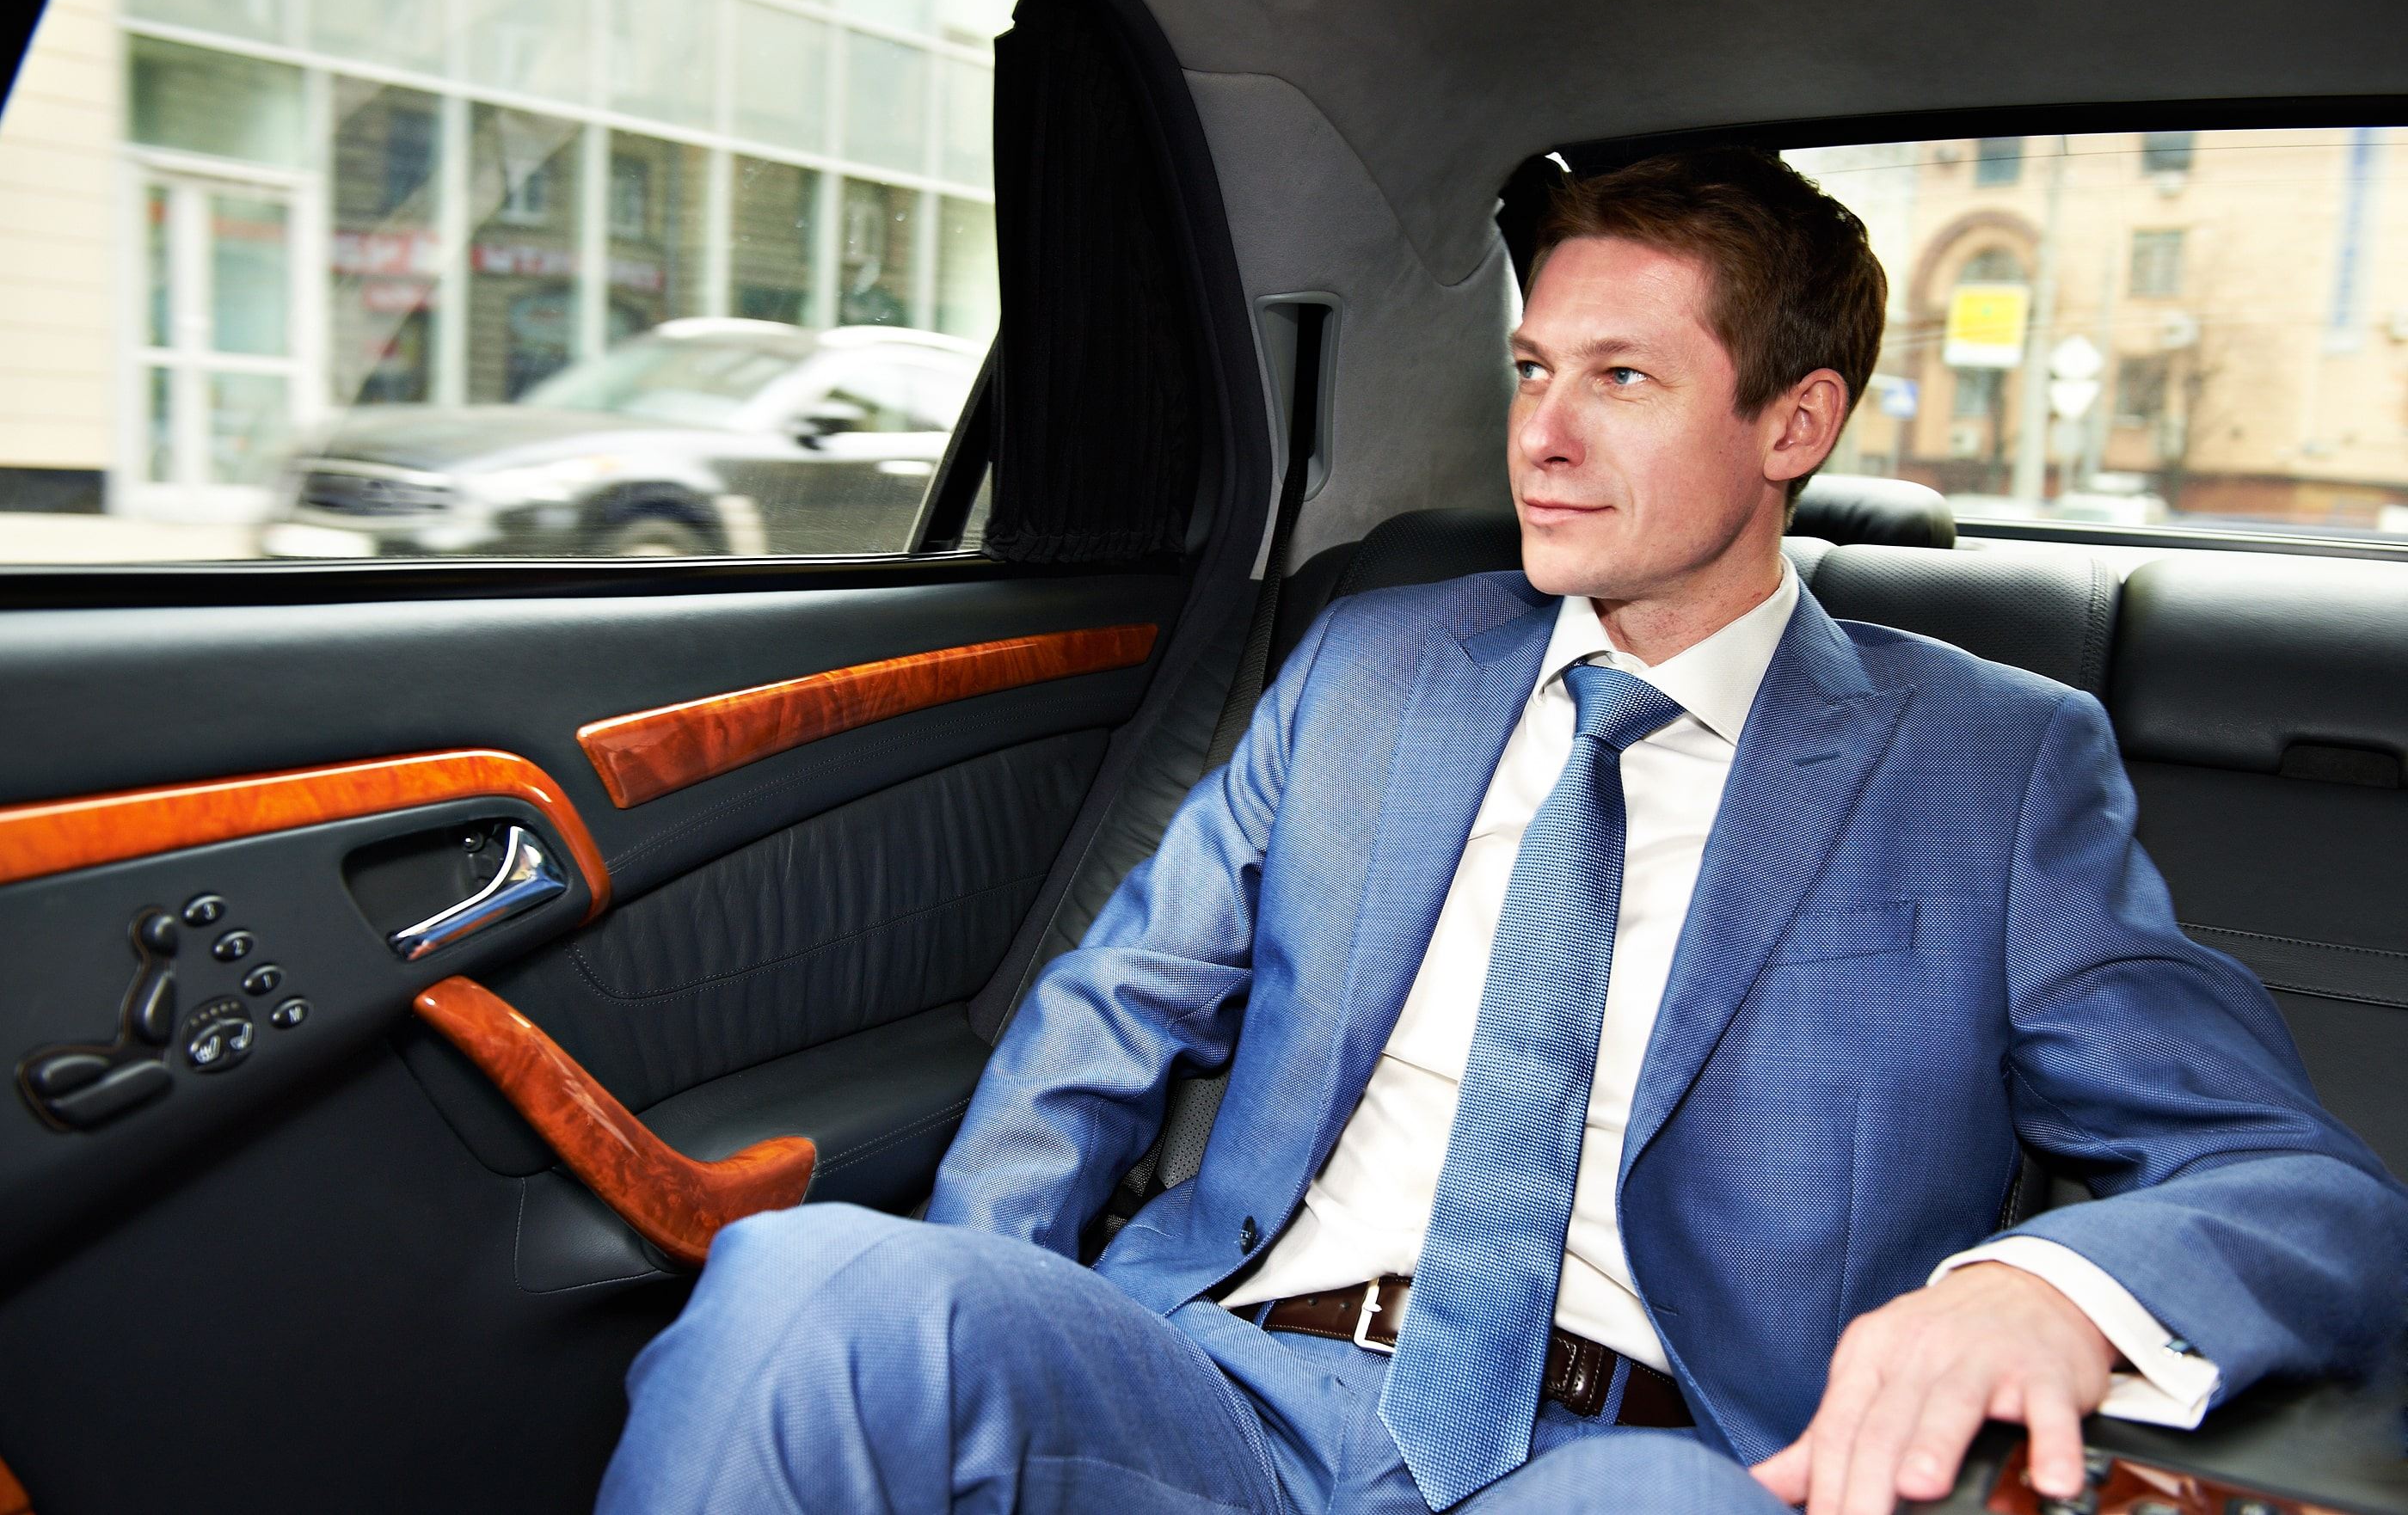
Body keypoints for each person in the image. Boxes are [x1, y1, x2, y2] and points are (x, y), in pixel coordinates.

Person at [598, 150, 2406, 1515]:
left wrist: (2036, 1289)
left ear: (1794, 420)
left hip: (1638, 1443)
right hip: (1217, 1371)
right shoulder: (1371, 662)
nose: (1540, 432)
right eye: (1532, 368)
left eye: (1620, 379)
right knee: (813, 1275)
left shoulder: (1991, 764)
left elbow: (2297, 1189)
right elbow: (1112, 1009)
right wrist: (993, 1267)